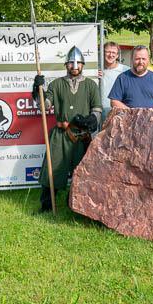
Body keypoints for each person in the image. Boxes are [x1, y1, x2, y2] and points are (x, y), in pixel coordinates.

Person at [32, 46, 102, 213]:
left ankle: (77, 206)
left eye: (78, 63)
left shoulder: (91, 85)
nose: (75, 66)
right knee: (52, 170)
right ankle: (47, 206)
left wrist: (91, 120)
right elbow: (44, 105)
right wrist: (37, 89)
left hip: (81, 135)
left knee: (81, 172)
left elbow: (97, 110)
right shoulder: (56, 84)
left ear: (83, 65)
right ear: (66, 65)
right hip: (60, 135)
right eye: (71, 63)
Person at [98, 42, 130, 122]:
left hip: (119, 112)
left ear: (117, 55)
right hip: (100, 112)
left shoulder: (125, 71)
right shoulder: (96, 70)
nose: (110, 55)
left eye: (113, 53)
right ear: (102, 53)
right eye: (108, 52)